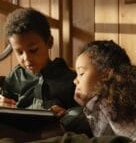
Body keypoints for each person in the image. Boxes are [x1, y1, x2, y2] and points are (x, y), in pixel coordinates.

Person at [0, 8, 92, 141]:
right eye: (19, 52)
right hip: (18, 131)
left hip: (52, 133)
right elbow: (5, 106)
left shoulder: (68, 78)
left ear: (49, 42)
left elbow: (84, 112)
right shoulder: (15, 77)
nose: (26, 58)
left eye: (33, 50)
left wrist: (65, 113)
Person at [73, 40, 136, 143]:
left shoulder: (113, 101)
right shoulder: (108, 98)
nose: (75, 80)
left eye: (81, 73)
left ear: (106, 74)